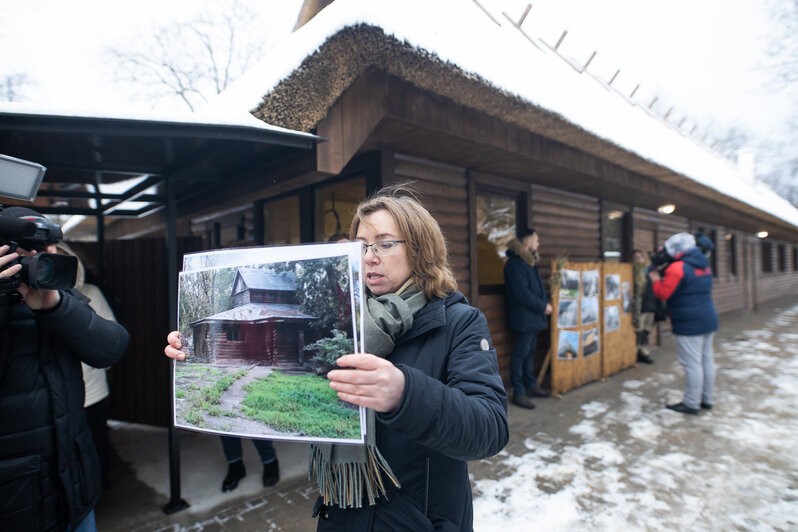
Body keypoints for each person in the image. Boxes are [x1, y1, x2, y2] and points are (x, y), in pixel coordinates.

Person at [165, 185, 509, 530]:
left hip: (420, 522)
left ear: (421, 249)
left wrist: (406, 394)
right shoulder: (348, 323)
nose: (369, 256)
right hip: (342, 514)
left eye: (385, 244)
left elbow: (490, 429)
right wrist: (193, 350)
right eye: (361, 246)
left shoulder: (459, 322)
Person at [0, 206, 130, 532]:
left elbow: (112, 347)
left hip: (74, 490)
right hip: (16, 506)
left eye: (43, 250)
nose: (34, 259)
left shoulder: (61, 298)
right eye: (20, 251)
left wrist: (54, 305)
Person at [214, 239, 280, 493]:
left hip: (256, 364)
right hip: (231, 363)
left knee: (253, 412)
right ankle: (235, 465)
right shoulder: (231, 299)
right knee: (223, 414)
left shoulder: (264, 284)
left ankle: (270, 462)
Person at [56, 242, 119, 489]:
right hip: (56, 396)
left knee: (95, 442)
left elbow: (110, 339)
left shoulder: (90, 292)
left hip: (91, 391)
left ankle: (100, 488)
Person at [648, 232, 718, 415]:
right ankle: (706, 399)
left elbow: (663, 293)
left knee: (692, 363)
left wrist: (656, 279)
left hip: (689, 323)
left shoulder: (678, 267)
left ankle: (691, 403)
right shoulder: (703, 265)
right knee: (706, 360)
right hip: (708, 318)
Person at [503, 228, 552, 409]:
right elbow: (522, 293)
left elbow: (536, 289)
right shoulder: (516, 264)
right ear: (527, 241)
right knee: (521, 353)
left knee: (529, 351)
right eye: (536, 240)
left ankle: (530, 386)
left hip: (532, 317)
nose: (538, 244)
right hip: (524, 318)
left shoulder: (528, 262)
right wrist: (543, 306)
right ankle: (519, 392)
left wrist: (545, 304)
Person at [632, 249, 657, 364]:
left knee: (646, 331)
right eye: (636, 258)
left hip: (651, 305)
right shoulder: (634, 273)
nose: (639, 260)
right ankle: (636, 352)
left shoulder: (648, 271)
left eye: (640, 257)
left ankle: (644, 351)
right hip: (641, 307)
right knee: (639, 331)